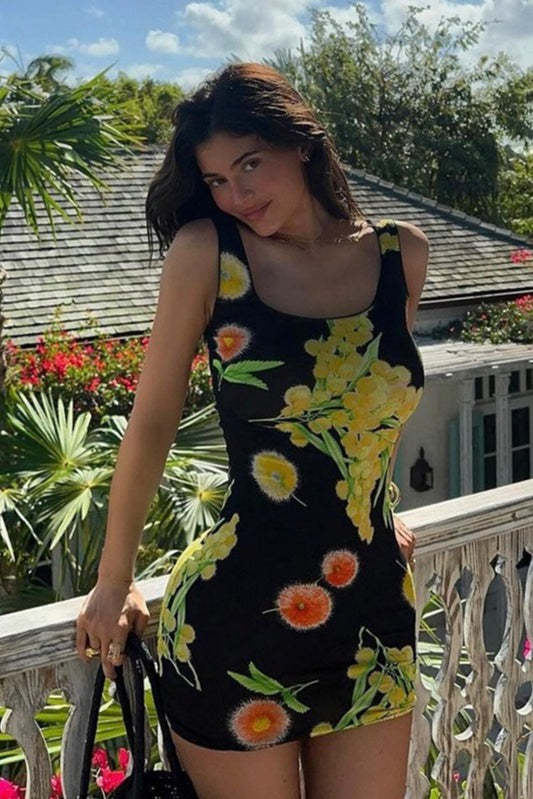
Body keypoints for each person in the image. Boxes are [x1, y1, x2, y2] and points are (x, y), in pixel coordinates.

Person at [76, 61, 429, 799]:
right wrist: (113, 580)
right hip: (236, 616)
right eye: (216, 179)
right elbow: (151, 422)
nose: (237, 195)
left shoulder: (401, 255)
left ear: (300, 143)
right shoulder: (208, 252)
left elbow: (371, 398)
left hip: (372, 610)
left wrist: (375, 502)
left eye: (249, 164)